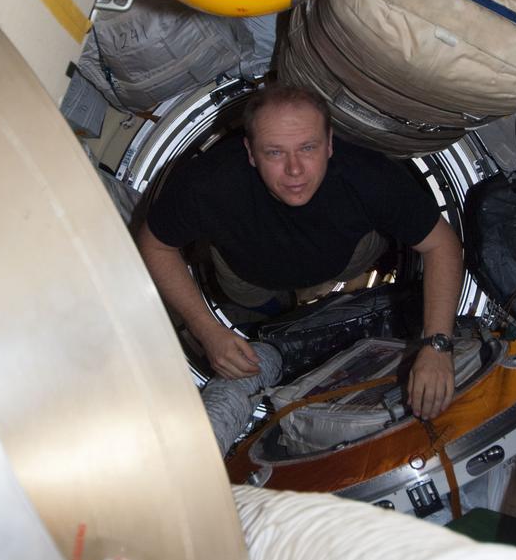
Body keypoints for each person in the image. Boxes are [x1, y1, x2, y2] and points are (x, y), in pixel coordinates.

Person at [137, 84, 463, 419]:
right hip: (249, 273)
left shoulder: (369, 175)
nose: (294, 170)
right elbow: (155, 244)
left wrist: (437, 344)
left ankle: (321, 294)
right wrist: (206, 329)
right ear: (250, 152)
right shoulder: (208, 184)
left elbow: (442, 244)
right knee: (249, 297)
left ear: (330, 143)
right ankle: (282, 309)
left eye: (307, 148)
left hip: (347, 259)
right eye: (274, 153)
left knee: (358, 258)